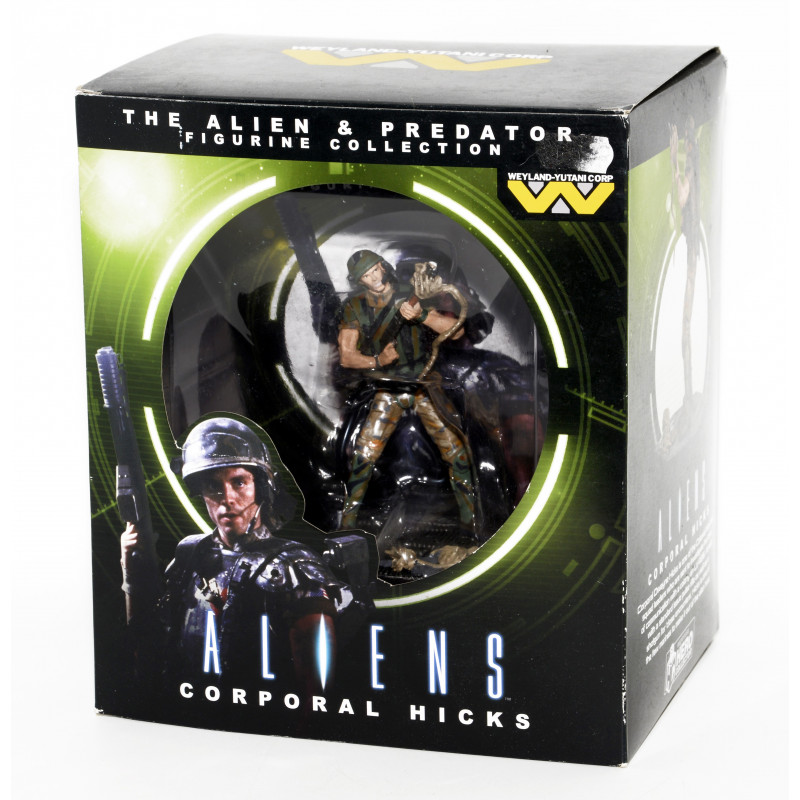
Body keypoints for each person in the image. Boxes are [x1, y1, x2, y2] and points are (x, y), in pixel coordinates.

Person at [121, 416, 368, 691]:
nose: (227, 498)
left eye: (239, 482)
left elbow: (315, 689)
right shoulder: (191, 554)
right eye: (213, 486)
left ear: (260, 487)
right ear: (201, 493)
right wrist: (133, 573)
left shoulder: (295, 567)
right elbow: (148, 650)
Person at [337, 250, 476, 539]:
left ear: (383, 266)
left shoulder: (411, 293)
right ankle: (346, 526)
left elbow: (455, 331)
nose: (374, 279)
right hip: (388, 388)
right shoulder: (354, 306)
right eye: (366, 276)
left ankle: (469, 524)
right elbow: (347, 357)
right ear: (359, 281)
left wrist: (422, 315)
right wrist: (377, 361)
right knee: (363, 457)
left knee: (457, 454)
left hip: (424, 384)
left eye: (375, 270)